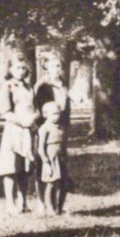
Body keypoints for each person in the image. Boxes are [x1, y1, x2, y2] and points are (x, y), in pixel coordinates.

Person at [0, 54, 38, 214]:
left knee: (25, 168)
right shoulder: (7, 86)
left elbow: (34, 108)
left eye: (23, 68)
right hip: (14, 129)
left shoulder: (28, 87)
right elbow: (5, 112)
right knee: (11, 167)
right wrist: (22, 121)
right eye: (17, 67)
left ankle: (23, 202)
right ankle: (10, 204)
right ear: (11, 69)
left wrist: (33, 120)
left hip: (28, 131)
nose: (20, 71)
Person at [34, 52, 71, 212]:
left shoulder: (63, 84)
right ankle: (42, 202)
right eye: (53, 66)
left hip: (61, 128)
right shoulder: (42, 85)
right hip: (45, 129)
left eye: (59, 65)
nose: (57, 69)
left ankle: (57, 205)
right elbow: (38, 108)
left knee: (61, 167)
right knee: (44, 165)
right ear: (46, 68)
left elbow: (66, 107)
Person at [37, 101, 68, 215]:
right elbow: (40, 148)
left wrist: (65, 156)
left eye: (58, 114)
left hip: (60, 158)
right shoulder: (44, 128)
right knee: (51, 183)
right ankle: (49, 207)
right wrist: (46, 162)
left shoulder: (61, 127)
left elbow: (63, 144)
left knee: (62, 183)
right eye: (53, 114)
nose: (56, 116)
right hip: (50, 159)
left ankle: (59, 207)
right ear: (45, 114)